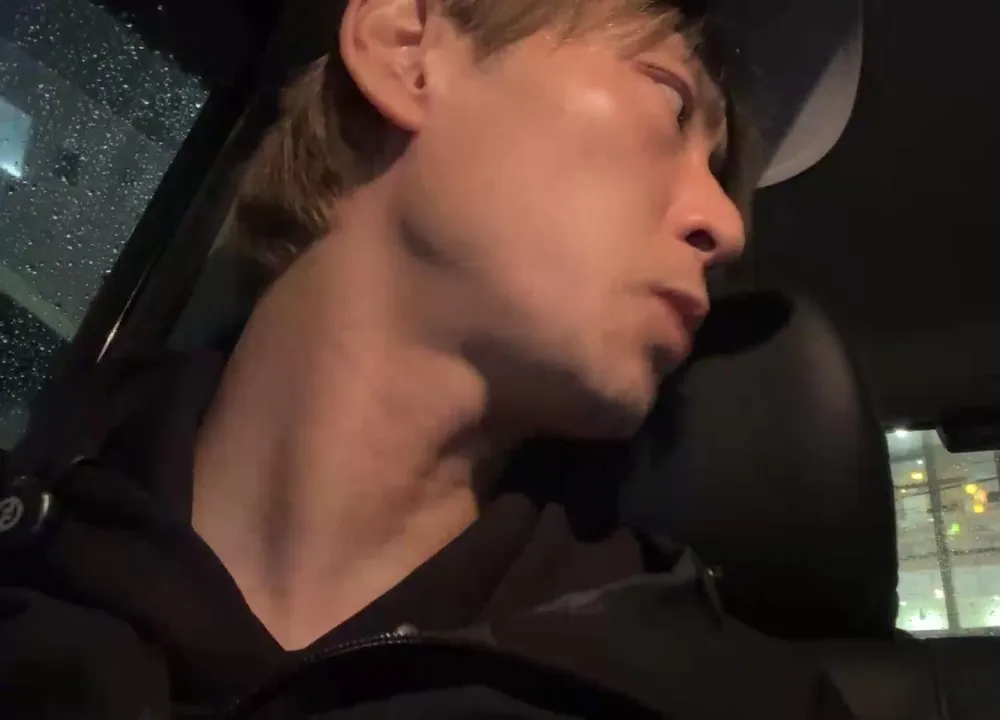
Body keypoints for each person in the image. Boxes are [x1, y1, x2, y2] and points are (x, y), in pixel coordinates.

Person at [0, 0, 862, 716]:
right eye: (671, 104)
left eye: (717, 167)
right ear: (408, 51)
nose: (726, 227)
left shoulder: (733, 699)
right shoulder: (30, 551)